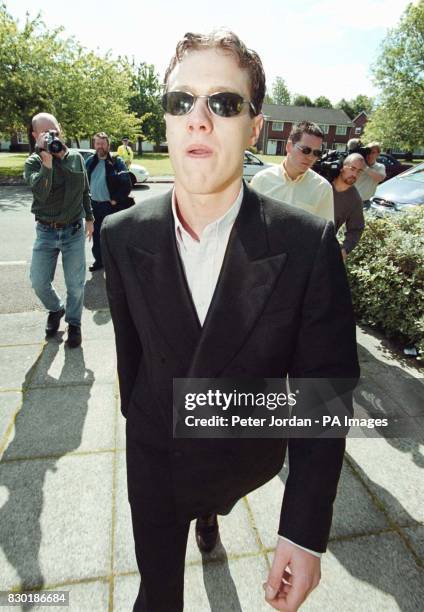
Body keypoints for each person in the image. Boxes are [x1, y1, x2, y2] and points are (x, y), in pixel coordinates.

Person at [101, 31, 359, 612]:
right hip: (153, 456)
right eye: (180, 101)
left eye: (222, 103)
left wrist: (302, 529)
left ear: (255, 127)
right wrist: (144, 414)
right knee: (156, 595)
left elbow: (324, 392)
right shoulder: (121, 236)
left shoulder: (306, 243)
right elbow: (132, 354)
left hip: (242, 454)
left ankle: (211, 515)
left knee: (212, 494)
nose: (197, 119)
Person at [24, 112, 94, 348]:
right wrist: (47, 162)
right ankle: (56, 309)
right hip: (46, 231)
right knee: (38, 281)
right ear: (35, 135)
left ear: (60, 130)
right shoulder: (33, 163)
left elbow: (84, 190)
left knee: (76, 284)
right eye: (45, 133)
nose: (51, 136)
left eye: (53, 131)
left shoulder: (75, 158)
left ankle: (74, 324)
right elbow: (41, 193)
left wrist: (90, 217)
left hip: (73, 230)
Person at [251, 121, 334, 222]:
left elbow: (324, 233)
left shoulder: (322, 188)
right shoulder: (261, 180)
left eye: (316, 153)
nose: (310, 157)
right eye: (306, 150)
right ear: (289, 146)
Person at [85, 132, 132, 272]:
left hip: (110, 206)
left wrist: (116, 199)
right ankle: (99, 261)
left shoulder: (117, 162)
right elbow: (83, 182)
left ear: (108, 145)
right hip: (94, 206)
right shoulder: (89, 162)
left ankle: (116, 264)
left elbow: (126, 184)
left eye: (103, 143)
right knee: (96, 235)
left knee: (113, 236)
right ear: (94, 145)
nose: (100, 146)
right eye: (97, 143)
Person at [332, 154, 366, 261]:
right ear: (342, 167)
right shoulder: (323, 183)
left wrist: (345, 249)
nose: (355, 174)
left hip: (322, 245)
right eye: (352, 169)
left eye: (359, 171)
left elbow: (356, 229)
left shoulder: (354, 199)